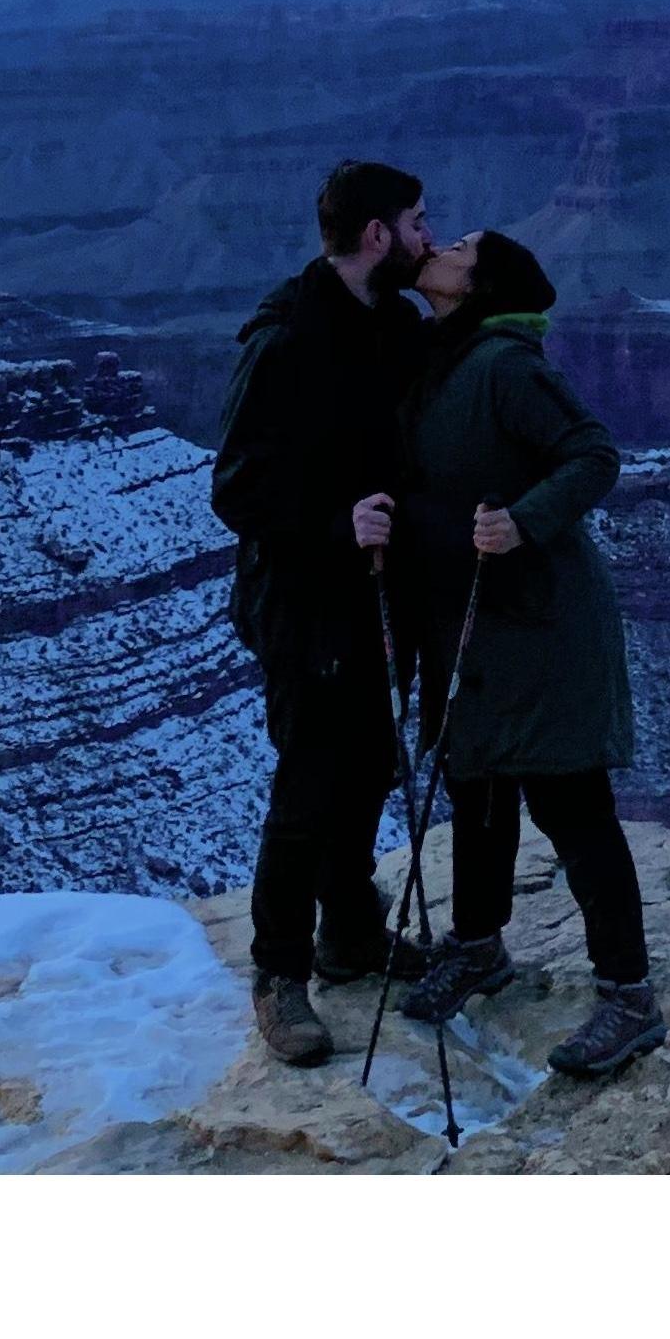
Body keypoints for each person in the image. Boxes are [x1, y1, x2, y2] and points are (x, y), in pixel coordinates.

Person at [392, 229, 662, 1078]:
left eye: (459, 245)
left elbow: (592, 454)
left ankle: (628, 995)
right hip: (469, 624)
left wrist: (522, 521)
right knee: (474, 787)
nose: (438, 246)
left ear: (480, 285)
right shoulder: (443, 355)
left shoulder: (506, 366)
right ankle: (479, 948)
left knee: (572, 808)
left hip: (543, 626)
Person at [209, 156, 433, 1065]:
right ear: (376, 234)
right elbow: (237, 488)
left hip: (386, 597)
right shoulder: (290, 338)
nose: (426, 236)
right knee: (309, 783)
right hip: (305, 601)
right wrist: (337, 524)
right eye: (417, 222)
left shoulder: (395, 328)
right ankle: (279, 975)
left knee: (371, 767)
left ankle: (350, 932)